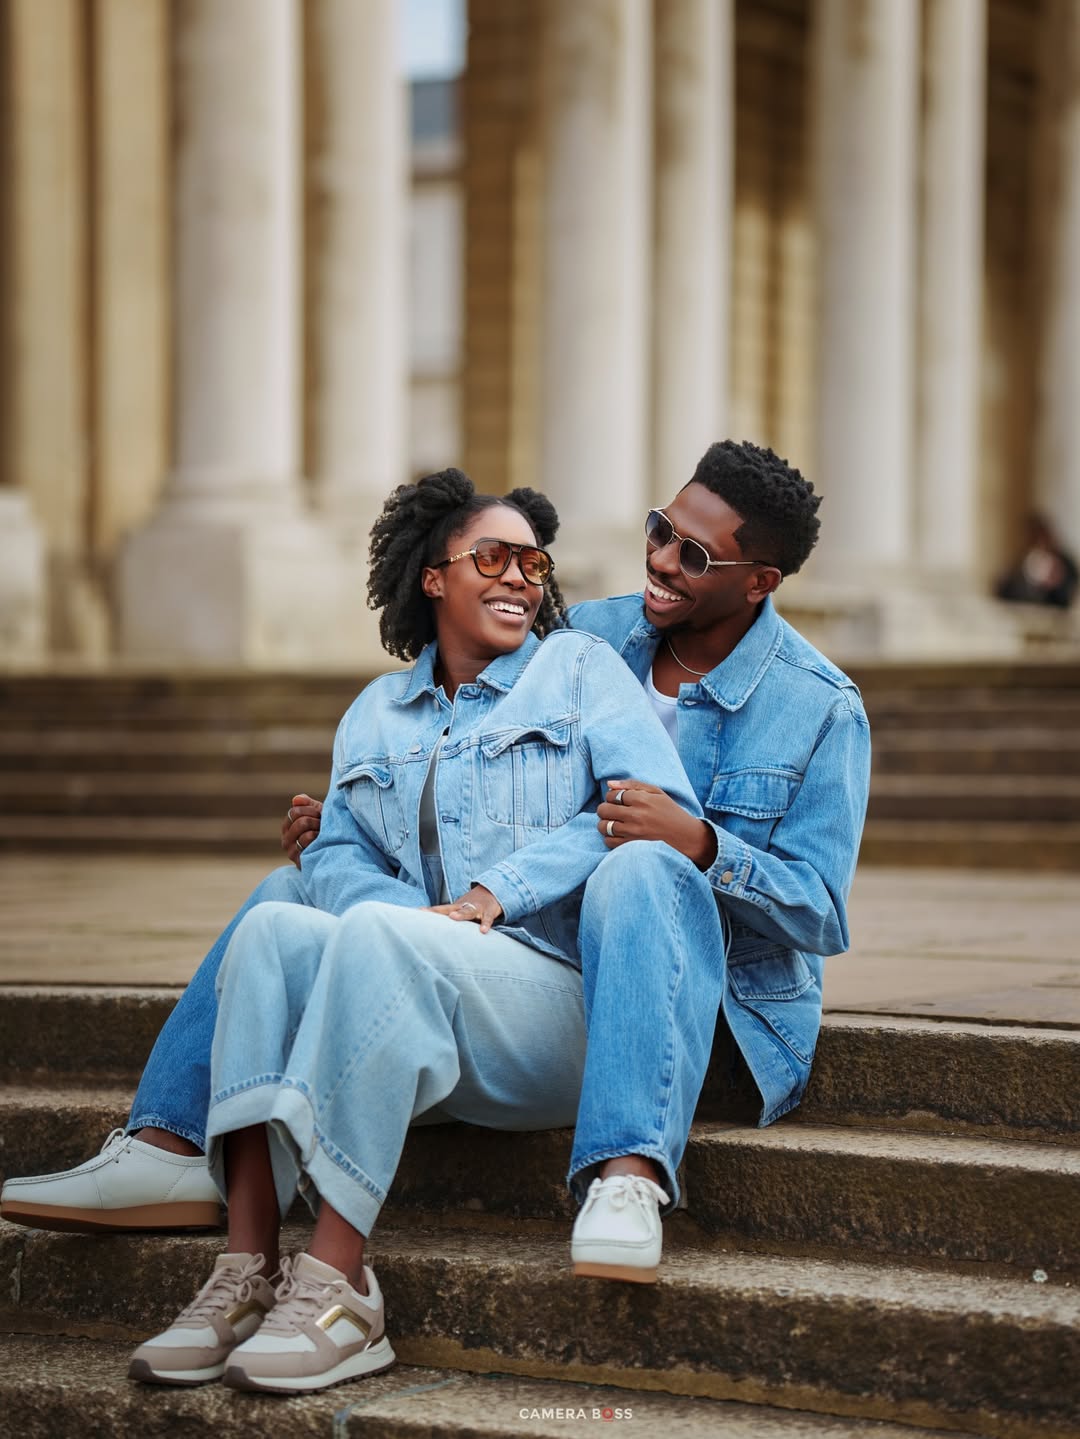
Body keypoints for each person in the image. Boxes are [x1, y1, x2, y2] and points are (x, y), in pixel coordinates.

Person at [3, 440, 870, 1290]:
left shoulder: (819, 705)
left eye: (694, 553)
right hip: (543, 965)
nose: (660, 561)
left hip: (712, 1006)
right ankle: (169, 1146)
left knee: (638, 867)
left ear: (760, 580)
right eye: (658, 530)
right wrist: (357, 820)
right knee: (288, 891)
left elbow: (821, 914)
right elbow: (468, 744)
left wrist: (702, 844)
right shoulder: (596, 634)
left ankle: (628, 1173)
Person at [124, 469, 707, 1391]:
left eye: (534, 564)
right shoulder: (374, 712)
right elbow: (338, 856)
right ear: (434, 577)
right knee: (274, 926)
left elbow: (643, 804)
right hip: (426, 980)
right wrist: (416, 918)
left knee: (376, 939)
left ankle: (341, 1283)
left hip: (555, 999)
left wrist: (495, 893)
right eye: (493, 557)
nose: (520, 578)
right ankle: (244, 1269)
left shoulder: (578, 671)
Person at [995, 512, 1078, 609]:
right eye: (1035, 539)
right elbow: (1004, 592)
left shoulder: (1063, 563)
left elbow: (1067, 596)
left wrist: (1056, 581)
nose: (1040, 543)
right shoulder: (1023, 561)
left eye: (1042, 537)